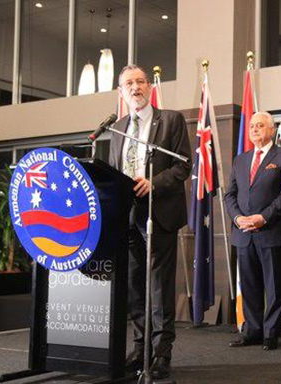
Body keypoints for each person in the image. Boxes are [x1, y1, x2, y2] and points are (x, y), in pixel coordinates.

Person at [109, 65, 191, 380]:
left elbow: (184, 165)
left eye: (140, 81)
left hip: (159, 213)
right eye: (128, 83)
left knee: (158, 286)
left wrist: (153, 182)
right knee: (134, 287)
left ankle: (161, 352)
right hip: (127, 216)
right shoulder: (117, 127)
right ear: (121, 92)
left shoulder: (170, 119)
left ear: (149, 86)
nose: (135, 87)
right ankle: (140, 347)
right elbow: (116, 169)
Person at [224, 111, 281, 351]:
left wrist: (263, 218)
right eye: (252, 126)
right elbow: (230, 195)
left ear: (272, 130)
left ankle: (270, 333)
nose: (254, 129)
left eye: (260, 126)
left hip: (272, 232)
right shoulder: (241, 160)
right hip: (244, 234)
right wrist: (237, 218)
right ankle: (252, 331)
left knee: (274, 287)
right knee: (250, 286)